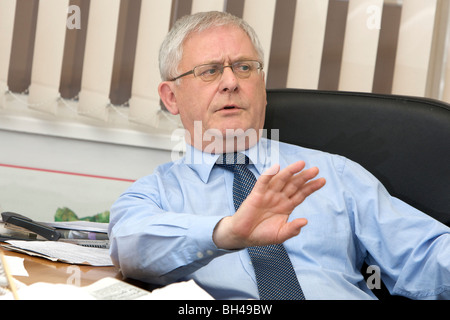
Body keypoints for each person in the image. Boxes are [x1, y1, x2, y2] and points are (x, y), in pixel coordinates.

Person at [108, 11, 450, 300]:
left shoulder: (333, 173)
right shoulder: (157, 193)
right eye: (209, 71)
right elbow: (130, 248)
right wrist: (225, 233)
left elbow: (424, 253)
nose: (230, 82)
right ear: (170, 97)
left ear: (262, 85)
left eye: (244, 67)